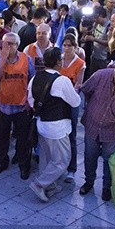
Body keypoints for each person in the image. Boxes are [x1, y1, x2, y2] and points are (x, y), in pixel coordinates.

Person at [27, 47, 82, 202]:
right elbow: (76, 101)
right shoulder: (62, 81)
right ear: (59, 62)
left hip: (41, 124)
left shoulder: (35, 78)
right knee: (62, 160)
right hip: (58, 128)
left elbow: (31, 101)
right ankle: (40, 184)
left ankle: (49, 186)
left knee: (46, 158)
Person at [78, 63, 115, 201]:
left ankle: (106, 187)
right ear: (114, 75)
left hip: (112, 131)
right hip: (92, 125)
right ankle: (89, 182)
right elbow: (86, 90)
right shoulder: (100, 75)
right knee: (90, 155)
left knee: (109, 160)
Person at [0, 32, 36, 179]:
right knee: (2, 137)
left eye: (11, 43)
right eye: (5, 43)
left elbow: (32, 80)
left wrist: (30, 102)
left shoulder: (26, 59)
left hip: (21, 106)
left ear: (17, 45)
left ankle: (24, 166)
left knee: (23, 139)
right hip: (4, 106)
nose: (8, 46)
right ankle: (2, 162)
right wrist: (3, 59)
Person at [58, 33, 86, 183]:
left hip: (71, 102)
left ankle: (71, 169)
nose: (67, 48)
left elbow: (78, 85)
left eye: (70, 45)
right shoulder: (59, 60)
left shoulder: (80, 63)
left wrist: (68, 92)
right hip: (57, 101)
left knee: (71, 135)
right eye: (65, 45)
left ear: (75, 47)